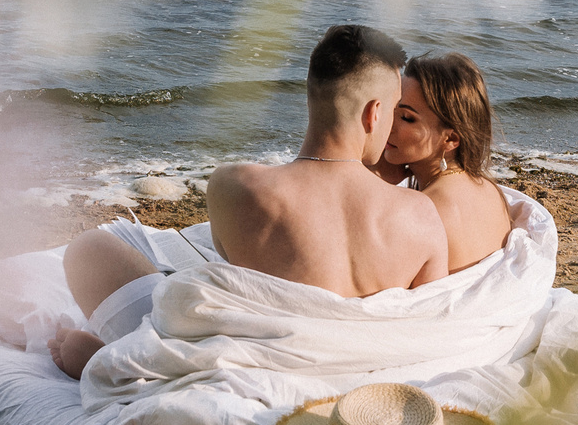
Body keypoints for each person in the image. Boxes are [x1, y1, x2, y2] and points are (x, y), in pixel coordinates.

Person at [47, 24, 449, 378]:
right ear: (373, 114)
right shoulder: (421, 217)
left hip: (252, 362)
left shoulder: (234, 186)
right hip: (357, 378)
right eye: (395, 110)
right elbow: (420, 325)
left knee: (88, 249)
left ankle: (112, 359)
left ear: (311, 96)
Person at [376, 52, 515, 273]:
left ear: (450, 139)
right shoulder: (491, 191)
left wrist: (370, 179)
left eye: (406, 117)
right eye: (391, 109)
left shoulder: (422, 211)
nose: (388, 122)